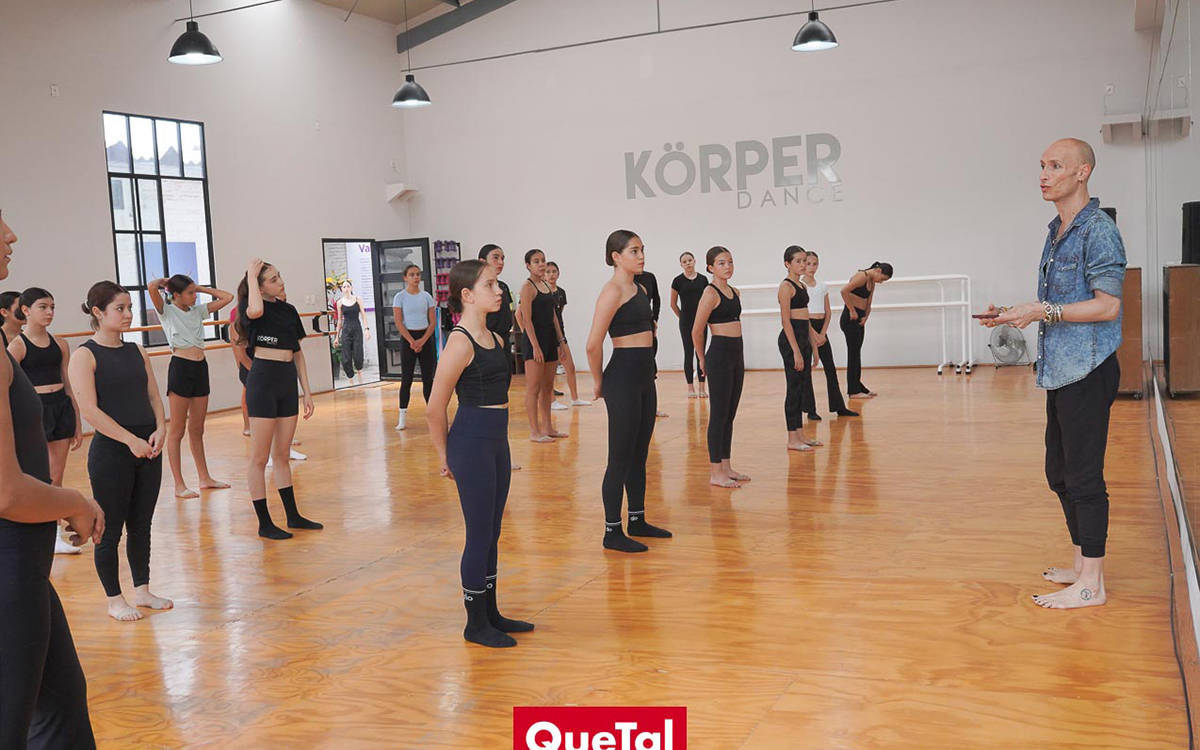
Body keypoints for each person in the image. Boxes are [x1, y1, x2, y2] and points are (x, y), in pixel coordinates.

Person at [983, 138, 1125, 610]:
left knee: (1084, 477)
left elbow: (1107, 306)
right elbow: (1058, 303)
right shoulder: (1058, 229)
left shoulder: (1097, 230)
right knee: (1059, 473)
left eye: (1056, 166)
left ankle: (1092, 584)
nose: (1044, 174)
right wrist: (1013, 313)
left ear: (1083, 172)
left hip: (1088, 369)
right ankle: (1082, 564)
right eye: (1042, 165)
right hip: (1060, 370)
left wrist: (1042, 310)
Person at [0, 209, 101, 749]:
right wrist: (74, 502)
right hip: (9, 570)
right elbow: (7, 492)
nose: (11, 235)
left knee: (61, 707)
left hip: (25, 570)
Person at [428, 260, 533, 648]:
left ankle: (490, 612)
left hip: (496, 443)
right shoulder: (460, 342)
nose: (498, 290)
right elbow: (435, 407)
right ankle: (475, 624)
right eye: (489, 285)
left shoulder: (496, 339)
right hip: (470, 443)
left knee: (493, 531)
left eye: (497, 284)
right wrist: (445, 455)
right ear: (467, 295)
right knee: (478, 533)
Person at [69, 281, 172, 622]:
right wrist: (130, 440)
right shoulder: (84, 355)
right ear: (98, 313)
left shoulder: (137, 351)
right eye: (120, 309)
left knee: (141, 525)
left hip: (149, 447)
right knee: (109, 529)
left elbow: (153, 396)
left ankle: (142, 589)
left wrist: (161, 429)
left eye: (129, 308)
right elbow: (90, 410)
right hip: (113, 452)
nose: (128, 314)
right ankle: (115, 600)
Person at [586, 230, 672, 553]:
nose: (641, 256)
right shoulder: (611, 292)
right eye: (634, 251)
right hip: (622, 378)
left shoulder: (639, 288)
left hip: (644, 378)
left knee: (640, 454)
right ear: (616, 257)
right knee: (619, 458)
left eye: (642, 250)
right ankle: (612, 532)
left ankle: (637, 519)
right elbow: (593, 344)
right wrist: (599, 382)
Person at [236, 259, 320, 540]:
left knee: (282, 454)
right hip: (263, 380)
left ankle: (293, 516)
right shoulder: (250, 309)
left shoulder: (288, 310)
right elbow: (256, 309)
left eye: (279, 276)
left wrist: (307, 391)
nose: (280, 281)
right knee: (259, 458)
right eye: (272, 279)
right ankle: (264, 523)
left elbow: (297, 353)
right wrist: (251, 276)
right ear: (259, 287)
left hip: (286, 380)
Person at [7, 288, 85, 555]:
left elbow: (68, 383)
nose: (49, 312)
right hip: (33, 412)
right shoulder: (17, 346)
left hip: (60, 408)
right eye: (43, 307)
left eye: (52, 307)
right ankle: (31, 531)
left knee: (56, 475)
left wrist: (77, 420)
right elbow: (10, 388)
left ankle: (53, 536)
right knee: (35, 475)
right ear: (26, 310)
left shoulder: (60, 344)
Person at [148, 275, 233, 499]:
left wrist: (201, 288)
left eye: (194, 292)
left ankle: (205, 478)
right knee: (177, 430)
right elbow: (151, 287)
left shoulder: (198, 311)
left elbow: (228, 297)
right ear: (176, 295)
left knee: (197, 429)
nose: (194, 296)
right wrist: (166, 281)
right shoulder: (167, 311)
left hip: (200, 368)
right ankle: (179, 484)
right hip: (181, 368)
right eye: (190, 293)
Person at [693, 247, 749, 489]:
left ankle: (726, 466)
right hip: (719, 355)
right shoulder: (710, 293)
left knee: (730, 413)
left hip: (737, 353)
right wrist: (701, 359)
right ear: (710, 268)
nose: (728, 267)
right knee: (718, 414)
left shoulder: (735, 292)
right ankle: (715, 472)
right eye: (721, 263)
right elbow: (697, 329)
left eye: (730, 262)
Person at [517, 249, 567, 442]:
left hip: (549, 339)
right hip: (534, 341)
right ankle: (534, 431)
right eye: (536, 261)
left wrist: (560, 340)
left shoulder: (545, 284)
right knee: (534, 387)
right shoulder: (527, 287)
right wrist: (535, 346)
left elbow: (554, 315)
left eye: (543, 260)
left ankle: (548, 427)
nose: (541, 264)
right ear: (528, 265)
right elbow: (526, 319)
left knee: (548, 386)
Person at [800, 251, 858, 420]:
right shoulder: (800, 286)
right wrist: (814, 334)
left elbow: (828, 311)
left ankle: (839, 406)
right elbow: (802, 312)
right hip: (807, 327)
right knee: (807, 370)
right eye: (808, 264)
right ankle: (810, 409)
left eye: (815, 264)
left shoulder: (822, 285)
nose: (812, 267)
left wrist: (823, 333)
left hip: (821, 328)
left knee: (830, 368)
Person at [776, 247, 822, 452]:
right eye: (798, 261)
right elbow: (786, 321)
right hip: (790, 341)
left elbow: (806, 319)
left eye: (805, 261)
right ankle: (791, 439)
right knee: (793, 390)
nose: (803, 265)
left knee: (802, 388)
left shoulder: (801, 285)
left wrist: (814, 347)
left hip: (803, 339)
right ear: (787, 264)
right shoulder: (786, 287)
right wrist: (795, 350)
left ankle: (800, 434)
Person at [391, 265, 437, 431]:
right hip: (408, 338)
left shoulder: (426, 296)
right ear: (405, 278)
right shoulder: (400, 297)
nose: (416, 277)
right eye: (412, 275)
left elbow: (433, 322)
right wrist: (411, 341)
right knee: (407, 378)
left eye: (418, 274)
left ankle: (433, 415)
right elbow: (398, 321)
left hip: (424, 337)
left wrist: (422, 341)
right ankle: (402, 416)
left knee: (428, 378)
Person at [839, 261, 893, 398]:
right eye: (882, 279)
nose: (881, 282)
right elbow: (844, 291)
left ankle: (858, 385)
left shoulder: (871, 281)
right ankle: (853, 391)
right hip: (850, 318)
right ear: (878, 271)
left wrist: (866, 316)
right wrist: (851, 310)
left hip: (859, 318)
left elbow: (869, 301)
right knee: (853, 354)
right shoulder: (861, 276)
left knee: (857, 353)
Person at [544, 261, 590, 409]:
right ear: (544, 275)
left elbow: (559, 313)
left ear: (558, 274)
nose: (551, 275)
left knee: (570, 367)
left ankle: (575, 398)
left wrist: (560, 335)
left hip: (560, 335)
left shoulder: (561, 293)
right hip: (547, 335)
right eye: (548, 272)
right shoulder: (542, 292)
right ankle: (552, 401)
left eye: (554, 271)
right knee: (549, 371)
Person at [670, 252, 709, 398]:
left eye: (690, 260)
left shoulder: (703, 280)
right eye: (685, 261)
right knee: (688, 353)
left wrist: (704, 317)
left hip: (701, 321)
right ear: (681, 264)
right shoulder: (677, 281)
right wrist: (683, 317)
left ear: (694, 261)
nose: (688, 263)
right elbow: (673, 304)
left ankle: (702, 387)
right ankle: (690, 388)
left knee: (701, 354)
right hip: (686, 322)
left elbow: (708, 300)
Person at [633, 267, 668, 418]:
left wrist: (654, 319)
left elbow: (657, 299)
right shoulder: (625, 280)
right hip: (633, 328)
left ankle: (651, 408)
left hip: (648, 324)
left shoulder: (649, 277)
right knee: (636, 368)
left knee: (650, 366)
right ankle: (637, 407)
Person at [479, 244, 517, 358]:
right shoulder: (477, 287)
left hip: (505, 337)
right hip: (486, 340)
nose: (501, 262)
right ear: (482, 261)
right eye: (495, 258)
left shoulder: (503, 286)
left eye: (502, 258)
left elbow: (508, 310)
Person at [333, 279, 370, 385]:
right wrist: (337, 337)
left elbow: (363, 315)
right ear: (341, 289)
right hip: (346, 328)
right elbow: (339, 320)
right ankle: (350, 377)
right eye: (344, 287)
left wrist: (366, 329)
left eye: (348, 286)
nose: (346, 289)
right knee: (346, 354)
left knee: (358, 352)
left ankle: (359, 371)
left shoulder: (358, 299)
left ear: (351, 288)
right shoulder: (340, 302)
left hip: (356, 327)